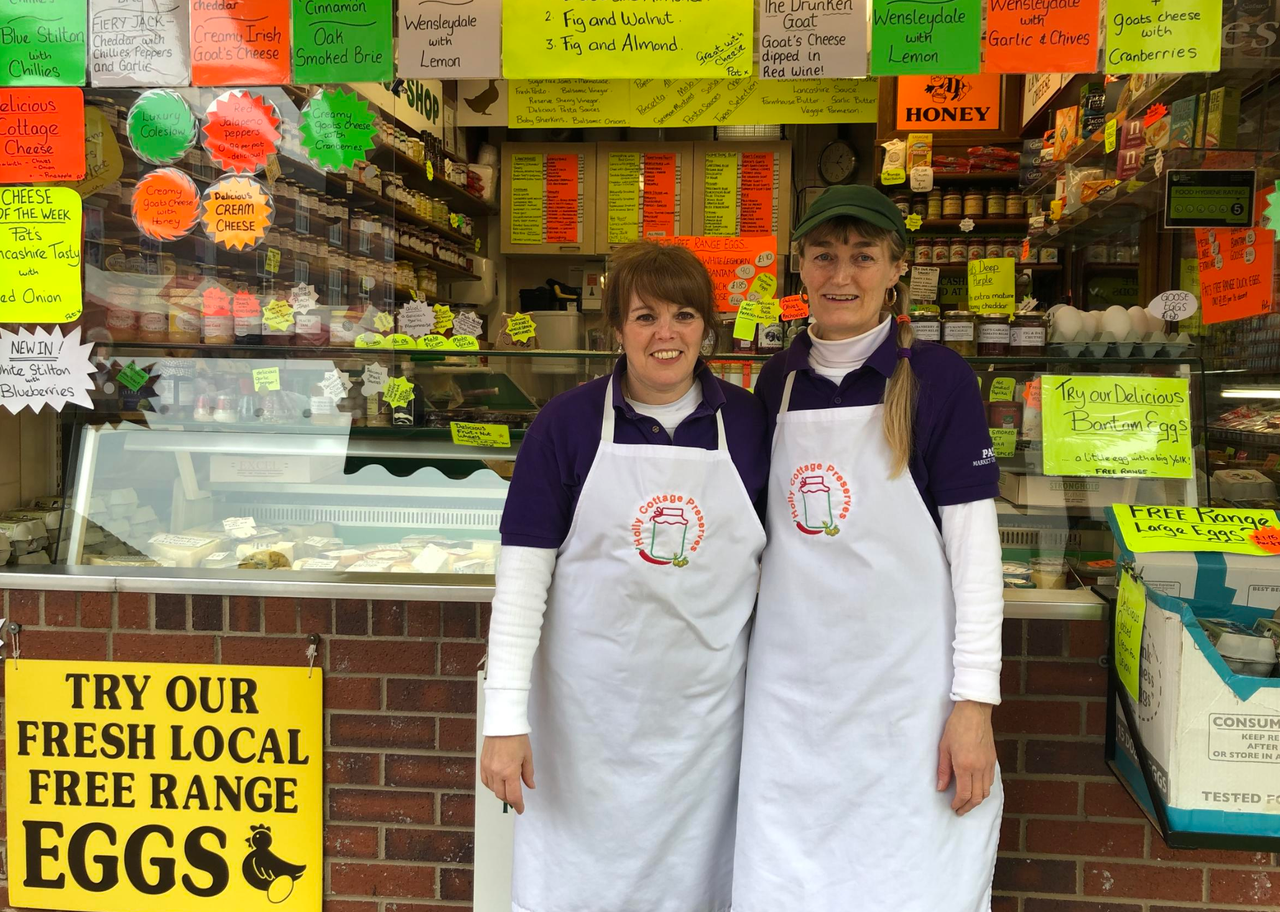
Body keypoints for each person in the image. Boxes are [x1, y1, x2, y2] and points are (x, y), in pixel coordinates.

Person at [734, 185, 1005, 912]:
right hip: (790, 700)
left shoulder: (941, 380)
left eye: (863, 257)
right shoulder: (777, 381)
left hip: (907, 701)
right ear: (800, 268)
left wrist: (974, 705)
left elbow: (975, 555)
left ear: (897, 270)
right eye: (824, 256)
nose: (841, 276)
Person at [480, 240, 769, 912]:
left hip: (708, 733)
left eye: (684, 316)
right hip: (585, 731)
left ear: (708, 328)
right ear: (616, 329)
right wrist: (503, 721)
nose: (665, 335)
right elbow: (522, 581)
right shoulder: (565, 425)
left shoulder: (752, 425)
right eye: (644, 317)